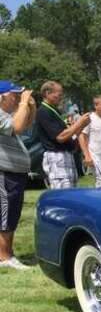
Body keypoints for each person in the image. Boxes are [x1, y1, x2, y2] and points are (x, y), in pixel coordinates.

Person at [0, 80, 36, 270]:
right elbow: (17, 127)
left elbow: (26, 123)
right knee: (6, 214)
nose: (16, 99)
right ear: (2, 97)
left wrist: (30, 106)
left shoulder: (6, 114)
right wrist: (23, 104)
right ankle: (4, 257)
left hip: (14, 172)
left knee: (12, 213)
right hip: (5, 172)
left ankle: (7, 254)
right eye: (14, 96)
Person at [35, 81, 90, 189]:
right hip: (56, 157)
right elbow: (60, 137)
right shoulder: (43, 111)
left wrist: (81, 126)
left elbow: (69, 135)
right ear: (47, 93)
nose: (60, 97)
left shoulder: (54, 111)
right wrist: (79, 123)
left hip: (66, 156)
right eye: (59, 94)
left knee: (70, 192)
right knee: (62, 193)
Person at [78, 95, 101, 187]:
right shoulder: (90, 118)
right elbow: (82, 136)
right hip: (95, 156)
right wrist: (87, 155)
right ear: (96, 106)